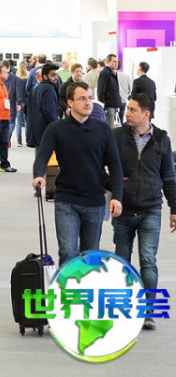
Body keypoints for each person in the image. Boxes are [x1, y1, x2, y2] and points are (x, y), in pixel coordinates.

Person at [32, 81, 123, 266]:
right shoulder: (56, 129)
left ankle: (85, 285)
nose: (88, 102)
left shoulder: (103, 130)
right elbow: (42, 156)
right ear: (70, 102)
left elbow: (115, 165)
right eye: (82, 98)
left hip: (95, 200)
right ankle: (69, 285)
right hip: (67, 199)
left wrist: (117, 196)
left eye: (90, 98)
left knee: (90, 255)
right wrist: (39, 174)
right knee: (68, 252)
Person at [112, 93, 176, 331]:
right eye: (127, 108)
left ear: (146, 114)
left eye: (132, 110)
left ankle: (148, 312)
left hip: (151, 209)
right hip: (123, 209)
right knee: (121, 260)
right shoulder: (117, 136)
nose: (127, 113)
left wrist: (174, 208)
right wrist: (111, 182)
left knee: (148, 260)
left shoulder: (162, 140)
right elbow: (99, 166)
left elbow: (169, 177)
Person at [26, 63, 59, 148]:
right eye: (53, 75)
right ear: (45, 76)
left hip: (35, 132)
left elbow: (26, 109)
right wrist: (56, 126)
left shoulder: (34, 89)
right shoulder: (49, 89)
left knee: (40, 154)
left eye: (56, 75)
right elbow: (48, 110)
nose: (56, 78)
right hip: (46, 131)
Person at [0, 64, 16, 172]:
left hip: (5, 118)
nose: (7, 74)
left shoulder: (2, 85)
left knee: (4, 142)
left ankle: (4, 164)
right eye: (5, 72)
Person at [97, 53, 122, 128]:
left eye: (117, 61)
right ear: (108, 62)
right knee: (110, 128)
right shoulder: (105, 73)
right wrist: (103, 106)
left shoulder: (112, 73)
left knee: (113, 127)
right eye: (114, 61)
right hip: (108, 106)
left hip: (113, 105)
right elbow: (100, 90)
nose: (116, 63)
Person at [14, 62, 29, 146]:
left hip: (18, 102)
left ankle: (19, 141)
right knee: (27, 122)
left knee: (19, 123)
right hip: (26, 102)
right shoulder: (27, 80)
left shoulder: (16, 80)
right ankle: (27, 139)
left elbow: (16, 92)